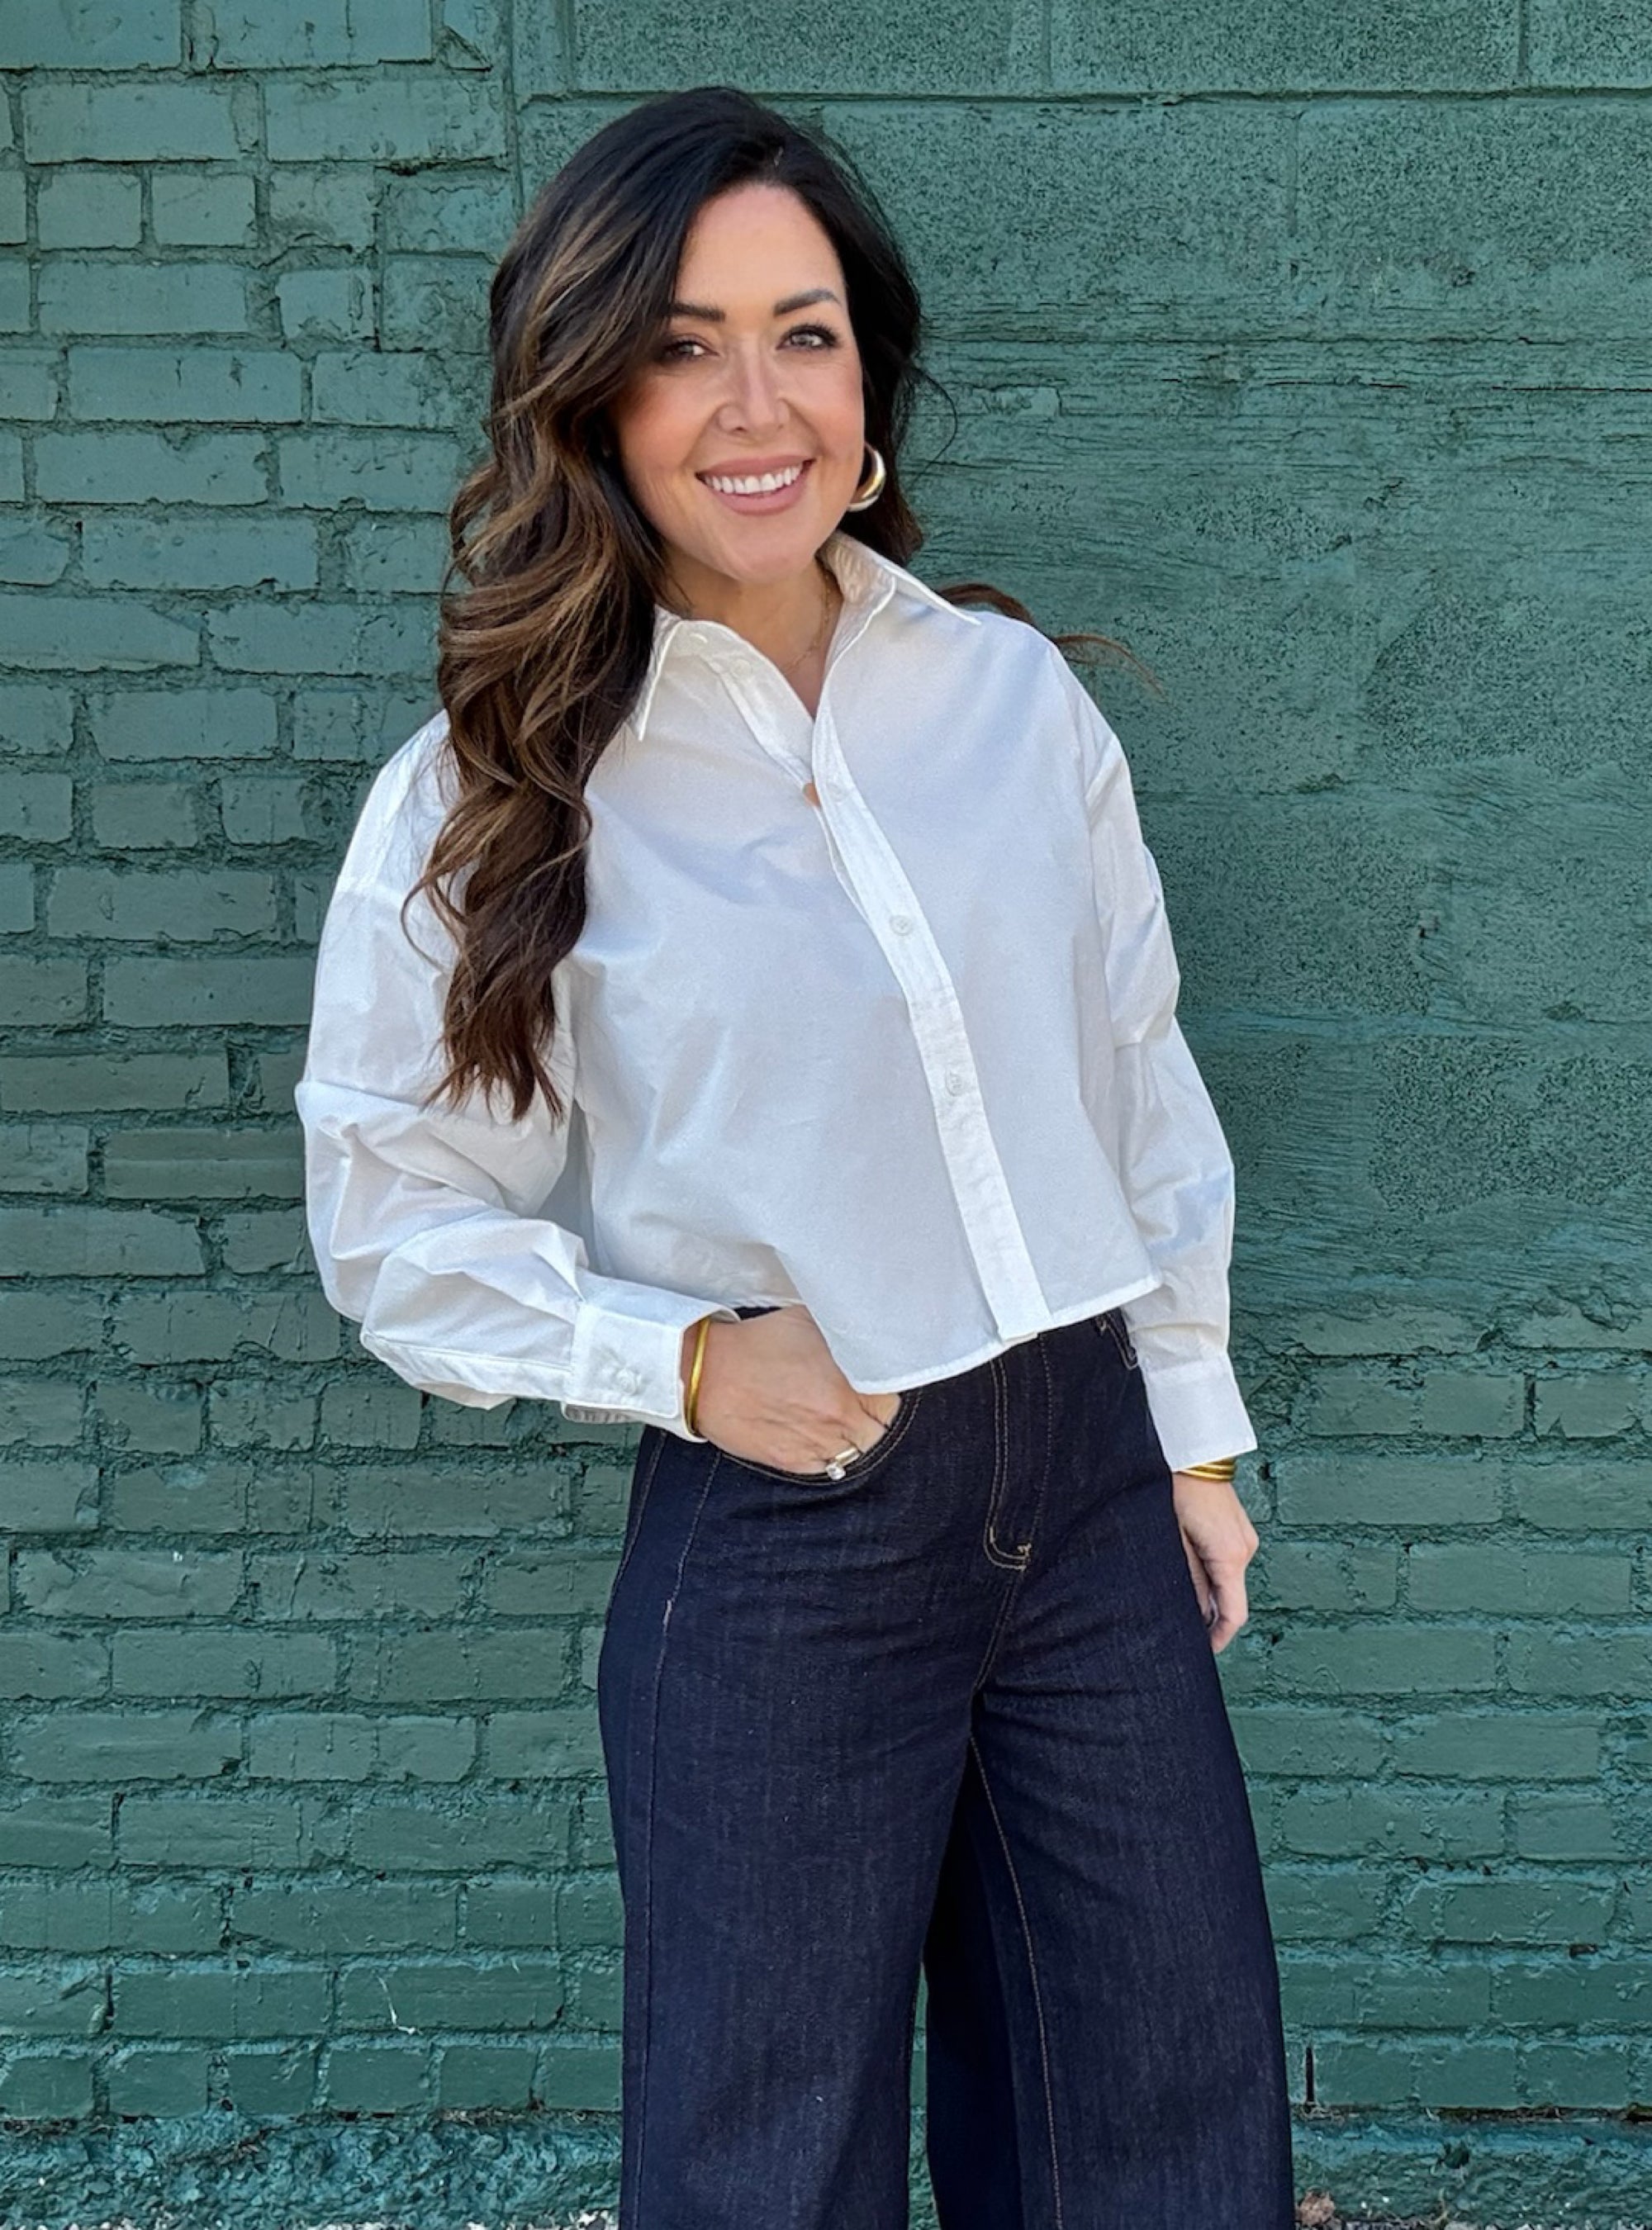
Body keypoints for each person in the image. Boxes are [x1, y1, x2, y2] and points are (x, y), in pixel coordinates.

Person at [295, 82, 1297, 2230]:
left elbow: (1136, 1077)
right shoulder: (491, 796)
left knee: (1169, 2120)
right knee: (768, 2159)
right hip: (787, 1524)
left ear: (873, 367)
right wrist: (673, 1362)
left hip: (1088, 1480)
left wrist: (1190, 1434)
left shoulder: (1013, 702)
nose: (757, 403)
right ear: (591, 393)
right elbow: (390, 1221)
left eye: (807, 331)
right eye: (681, 340)